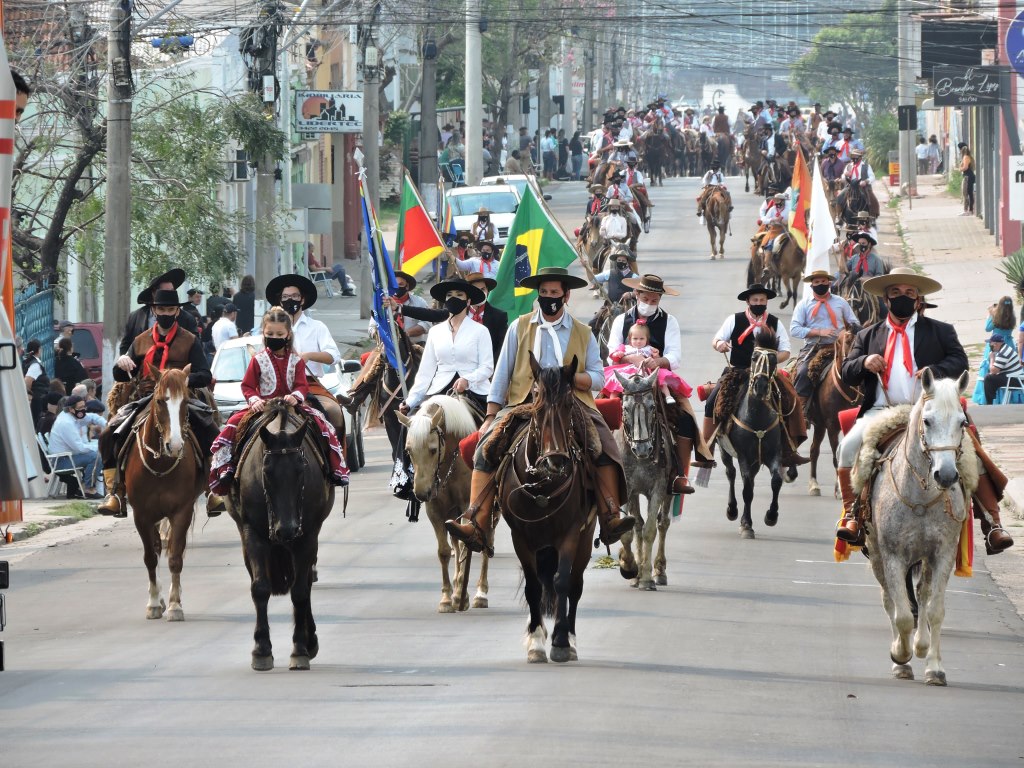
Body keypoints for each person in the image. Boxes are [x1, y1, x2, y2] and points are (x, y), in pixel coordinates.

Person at [444, 266, 636, 555]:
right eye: (544, 293)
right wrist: (490, 416)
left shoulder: (583, 332)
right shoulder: (519, 327)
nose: (549, 298)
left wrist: (574, 378)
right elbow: (502, 374)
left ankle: (610, 515)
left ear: (566, 295)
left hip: (573, 404)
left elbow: (599, 376)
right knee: (485, 447)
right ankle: (476, 521)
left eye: (554, 293)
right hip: (524, 404)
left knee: (603, 444)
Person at [834, 268, 968, 542]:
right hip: (882, 412)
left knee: (971, 454)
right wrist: (864, 362)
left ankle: (992, 520)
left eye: (909, 293)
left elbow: (960, 362)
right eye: (896, 293)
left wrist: (936, 369)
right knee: (847, 447)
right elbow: (847, 370)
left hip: (928, 411)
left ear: (918, 300)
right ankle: (852, 514)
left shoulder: (940, 331)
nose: (903, 298)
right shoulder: (868, 336)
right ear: (886, 300)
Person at [95, 289, 222, 517]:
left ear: (177, 311)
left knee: (211, 431)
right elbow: (123, 376)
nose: (165, 313)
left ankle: (212, 490)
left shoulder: (190, 340)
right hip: (146, 398)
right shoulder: (140, 341)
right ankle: (115, 492)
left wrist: (180, 380)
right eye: (161, 309)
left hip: (182, 398)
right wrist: (121, 363)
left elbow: (204, 374)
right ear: (154, 310)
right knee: (108, 434)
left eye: (170, 309)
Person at [208, 306, 348, 494]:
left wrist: (296, 396)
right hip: (264, 406)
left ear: (288, 334)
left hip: (291, 406)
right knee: (233, 424)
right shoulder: (257, 359)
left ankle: (332, 469)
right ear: (264, 333)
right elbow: (247, 386)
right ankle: (228, 468)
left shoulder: (296, 360)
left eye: (279, 333)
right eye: (270, 333)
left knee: (323, 424)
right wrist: (255, 399)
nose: (274, 336)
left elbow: (302, 385)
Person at [607, 274, 715, 492]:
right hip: (623, 377)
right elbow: (611, 352)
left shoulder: (670, 321)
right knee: (598, 413)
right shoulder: (621, 320)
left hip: (657, 377)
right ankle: (600, 472)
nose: (649, 304)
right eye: (645, 299)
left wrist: (656, 361)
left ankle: (680, 475)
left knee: (685, 417)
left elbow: (675, 357)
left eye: (654, 300)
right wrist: (630, 358)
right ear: (637, 295)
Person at [703, 284, 809, 469]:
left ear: (767, 302)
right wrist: (720, 344)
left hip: (766, 373)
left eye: (762, 300)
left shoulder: (775, 322)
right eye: (755, 300)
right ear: (748, 302)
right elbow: (716, 340)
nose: (759, 303)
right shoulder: (734, 319)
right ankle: (706, 452)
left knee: (792, 398)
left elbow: (785, 350)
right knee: (712, 400)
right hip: (737, 371)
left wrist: (770, 358)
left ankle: (790, 449)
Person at [398, 278, 493, 417]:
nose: (454, 298)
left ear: (468, 301)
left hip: (475, 390)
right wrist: (411, 400)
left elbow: (487, 367)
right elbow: (425, 372)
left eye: (459, 295)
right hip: (440, 390)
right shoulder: (435, 332)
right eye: (450, 295)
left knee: (495, 430)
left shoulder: (481, 331)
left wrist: (468, 380)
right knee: (412, 426)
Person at [266, 274, 347, 434]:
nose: (291, 300)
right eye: (286, 297)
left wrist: (308, 356)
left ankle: (333, 456)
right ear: (280, 301)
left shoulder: (317, 327)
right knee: (247, 419)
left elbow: (333, 356)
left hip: (310, 385)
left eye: (295, 296)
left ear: (302, 300)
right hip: (276, 386)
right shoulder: (270, 326)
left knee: (334, 412)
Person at [789, 270, 859, 414]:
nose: (820, 284)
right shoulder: (803, 305)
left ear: (829, 283)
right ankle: (801, 411)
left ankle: (866, 403)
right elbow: (794, 329)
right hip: (814, 347)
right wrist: (819, 332)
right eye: (817, 282)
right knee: (803, 373)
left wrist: (846, 333)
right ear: (812, 285)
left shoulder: (841, 302)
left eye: (823, 281)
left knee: (860, 369)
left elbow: (854, 323)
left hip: (839, 346)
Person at [604, 321, 691, 406]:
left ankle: (668, 396)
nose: (638, 341)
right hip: (628, 370)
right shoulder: (624, 343)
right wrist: (619, 355)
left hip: (647, 369)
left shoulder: (668, 321)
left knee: (661, 378)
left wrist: (657, 359)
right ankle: (613, 402)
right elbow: (612, 355)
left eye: (641, 339)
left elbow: (674, 356)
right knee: (617, 380)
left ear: (647, 339)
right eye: (635, 339)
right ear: (630, 339)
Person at [48, 395, 102, 499]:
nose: (83, 410)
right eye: (80, 408)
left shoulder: (68, 418)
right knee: (96, 457)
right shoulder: (67, 423)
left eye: (84, 407)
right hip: (61, 461)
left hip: (64, 458)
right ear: (71, 409)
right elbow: (79, 448)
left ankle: (84, 486)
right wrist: (97, 448)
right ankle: (88, 488)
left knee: (95, 455)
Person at [972, 296, 1018, 404]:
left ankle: (989, 398)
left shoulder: (996, 316)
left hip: (995, 344)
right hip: (1008, 344)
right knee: (1007, 369)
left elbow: (987, 328)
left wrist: (990, 314)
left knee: (991, 368)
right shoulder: (1012, 317)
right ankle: (1008, 398)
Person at [982, 335, 1024, 404]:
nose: (990, 345)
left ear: (996, 344)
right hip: (1015, 377)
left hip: (1015, 380)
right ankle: (992, 400)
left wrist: (992, 358)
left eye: (991, 343)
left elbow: (993, 371)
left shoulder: (1003, 353)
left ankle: (989, 403)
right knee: (991, 378)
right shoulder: (1005, 348)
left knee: (988, 378)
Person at [23, 338, 49, 424]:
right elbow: (27, 382)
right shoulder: (35, 365)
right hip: (37, 401)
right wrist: (29, 396)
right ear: (39, 349)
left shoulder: (28, 362)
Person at [960, 146, 975, 215]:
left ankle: (967, 210)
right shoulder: (970, 157)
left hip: (967, 177)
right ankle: (970, 210)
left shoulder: (965, 157)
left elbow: (965, 167)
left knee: (965, 193)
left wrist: (960, 169)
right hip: (970, 176)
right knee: (970, 193)